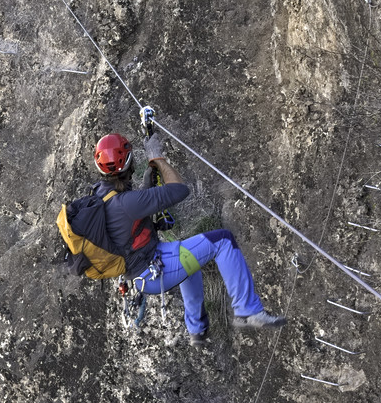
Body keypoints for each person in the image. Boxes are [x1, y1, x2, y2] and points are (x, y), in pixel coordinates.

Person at [89, 131, 284, 338]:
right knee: (223, 240)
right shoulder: (126, 203)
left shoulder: (101, 195)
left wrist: (147, 187)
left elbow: (127, 219)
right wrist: (158, 158)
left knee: (190, 261)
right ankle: (247, 310)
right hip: (153, 271)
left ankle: (197, 329)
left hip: (141, 270)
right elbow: (179, 190)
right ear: (129, 160)